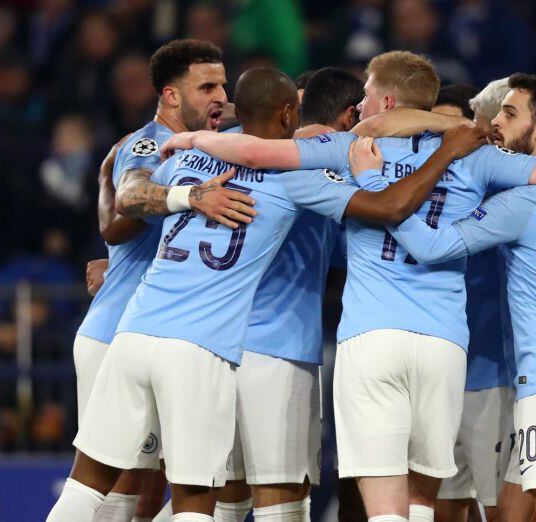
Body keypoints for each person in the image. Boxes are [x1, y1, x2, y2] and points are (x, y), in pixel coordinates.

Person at [161, 51, 536, 522]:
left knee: (383, 496)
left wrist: (191, 143)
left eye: (368, 96)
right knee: (430, 499)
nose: (360, 107)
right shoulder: (479, 159)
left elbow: (258, 150)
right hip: (447, 346)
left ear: (387, 103)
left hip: (373, 337)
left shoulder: (352, 150)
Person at [46, 66, 490, 522]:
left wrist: (161, 221)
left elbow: (131, 203)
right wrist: (446, 143)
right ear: (286, 114)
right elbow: (387, 207)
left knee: (87, 487)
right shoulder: (296, 178)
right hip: (210, 348)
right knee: (203, 505)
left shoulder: (183, 161)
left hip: (135, 332)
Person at [350, 74, 536, 522]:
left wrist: (379, 194)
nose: (495, 125)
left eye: (508, 114)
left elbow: (431, 246)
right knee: (527, 511)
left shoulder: (520, 199)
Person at [73, 39, 254, 522]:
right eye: (208, 87)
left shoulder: (210, 144)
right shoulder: (149, 142)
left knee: (153, 486)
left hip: (162, 333)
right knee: (119, 485)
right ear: (171, 96)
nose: (221, 96)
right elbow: (122, 211)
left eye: (224, 84)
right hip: (120, 332)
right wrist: (189, 197)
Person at [212, 67, 366, 522]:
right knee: (284, 499)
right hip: (279, 349)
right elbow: (368, 234)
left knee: (223, 498)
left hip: (216, 343)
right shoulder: (311, 172)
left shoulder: (219, 153)